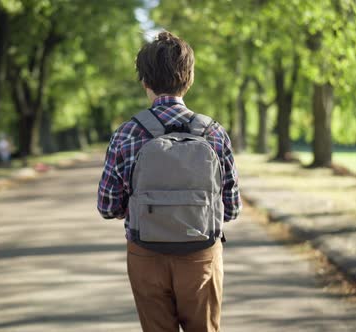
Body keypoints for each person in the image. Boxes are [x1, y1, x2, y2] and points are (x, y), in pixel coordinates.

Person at [97, 31, 242, 332]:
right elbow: (231, 209)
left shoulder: (127, 133)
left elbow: (107, 206)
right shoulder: (214, 133)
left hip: (145, 253)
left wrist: (146, 208)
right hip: (200, 253)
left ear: (144, 82)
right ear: (189, 79)